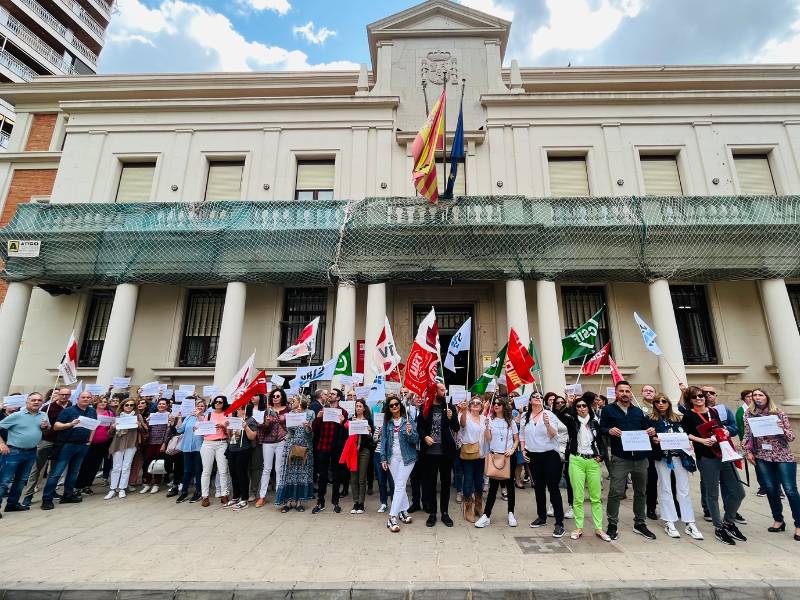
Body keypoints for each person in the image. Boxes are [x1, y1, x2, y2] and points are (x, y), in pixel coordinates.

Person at [681, 386, 746, 545]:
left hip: (724, 454)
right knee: (712, 494)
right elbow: (684, 433)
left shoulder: (714, 411)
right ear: (690, 400)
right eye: (695, 397)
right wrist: (701, 440)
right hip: (706, 457)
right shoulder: (689, 415)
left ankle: (729, 522)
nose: (699, 398)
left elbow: (722, 428)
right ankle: (719, 527)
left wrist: (725, 432)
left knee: (739, 492)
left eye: (701, 395)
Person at [599, 380, 657, 541]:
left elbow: (647, 429)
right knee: (616, 491)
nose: (624, 394)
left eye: (627, 391)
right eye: (621, 391)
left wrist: (651, 431)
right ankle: (612, 524)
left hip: (640, 457)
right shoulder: (607, 410)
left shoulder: (638, 412)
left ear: (631, 393)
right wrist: (609, 430)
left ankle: (640, 523)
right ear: (616, 393)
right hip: (620, 457)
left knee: (641, 491)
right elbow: (601, 428)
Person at [743, 388, 800, 541]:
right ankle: (778, 520)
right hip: (762, 456)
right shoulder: (749, 414)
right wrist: (748, 451)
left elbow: (791, 437)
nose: (757, 397)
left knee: (790, 489)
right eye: (754, 395)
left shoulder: (778, 413)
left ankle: (799, 525)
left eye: (760, 395)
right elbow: (747, 435)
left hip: (782, 455)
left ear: (767, 397)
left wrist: (783, 429)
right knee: (770, 488)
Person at [648, 393, 704, 540]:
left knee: (683, 489)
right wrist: (652, 438)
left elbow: (686, 434)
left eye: (664, 401)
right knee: (665, 487)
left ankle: (689, 522)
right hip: (662, 457)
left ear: (668, 403)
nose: (661, 404)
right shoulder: (650, 420)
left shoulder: (677, 419)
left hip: (680, 457)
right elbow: (646, 437)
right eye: (657, 401)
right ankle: (669, 520)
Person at [563, 394, 610, 541]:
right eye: (578, 406)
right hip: (576, 459)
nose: (581, 408)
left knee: (596, 497)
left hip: (593, 461)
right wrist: (569, 404)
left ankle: (599, 528)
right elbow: (560, 415)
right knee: (578, 497)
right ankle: (578, 527)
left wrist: (601, 455)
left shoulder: (595, 421)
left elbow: (601, 440)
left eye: (584, 406)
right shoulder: (572, 421)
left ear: (588, 407)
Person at [40, 390, 98, 510]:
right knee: (56, 473)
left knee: (73, 472)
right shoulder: (68, 411)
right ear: (78, 399)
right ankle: (47, 499)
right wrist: (70, 424)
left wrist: (90, 440)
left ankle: (68, 495)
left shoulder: (92, 411)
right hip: (67, 445)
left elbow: (93, 427)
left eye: (88, 397)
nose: (86, 399)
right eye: (83, 397)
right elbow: (56, 426)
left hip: (82, 445)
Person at [521, 391, 566, 538]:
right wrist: (523, 449)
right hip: (533, 455)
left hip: (549, 455)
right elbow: (522, 435)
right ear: (530, 400)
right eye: (534, 396)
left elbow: (554, 435)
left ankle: (559, 523)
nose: (537, 398)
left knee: (553, 488)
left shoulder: (549, 414)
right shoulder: (524, 416)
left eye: (539, 396)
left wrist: (547, 424)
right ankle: (541, 516)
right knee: (538, 488)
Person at [416, 382, 459, 528]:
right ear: (435, 392)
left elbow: (456, 427)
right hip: (429, 454)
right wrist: (425, 437)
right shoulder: (425, 407)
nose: (444, 392)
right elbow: (419, 427)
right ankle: (433, 513)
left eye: (444, 389)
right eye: (441, 389)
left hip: (445, 453)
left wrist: (452, 417)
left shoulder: (449, 407)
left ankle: (445, 513)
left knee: (446, 483)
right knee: (431, 484)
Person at [22, 387, 72, 506]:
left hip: (61, 442)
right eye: (62, 394)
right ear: (57, 395)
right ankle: (28, 496)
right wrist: (42, 426)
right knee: (37, 469)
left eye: (67, 394)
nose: (64, 397)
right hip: (46, 441)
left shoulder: (71, 406)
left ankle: (52, 491)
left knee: (54, 470)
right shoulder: (47, 408)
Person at [0, 393, 47, 515]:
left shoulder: (43, 415)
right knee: (5, 481)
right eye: (33, 400)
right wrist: (2, 444)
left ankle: (12, 504)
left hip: (31, 452)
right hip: (14, 452)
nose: (36, 402)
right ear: (27, 402)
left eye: (39, 400)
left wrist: (45, 427)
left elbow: (46, 431)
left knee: (21, 480)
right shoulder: (17, 415)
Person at [475, 396, 518, 528]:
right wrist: (487, 427)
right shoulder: (490, 420)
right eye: (495, 403)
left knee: (510, 486)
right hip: (495, 456)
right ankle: (486, 515)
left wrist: (512, 450)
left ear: (504, 406)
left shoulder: (511, 421)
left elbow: (516, 439)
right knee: (493, 488)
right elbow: (488, 439)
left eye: (499, 404)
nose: (496, 405)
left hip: (508, 457)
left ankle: (511, 513)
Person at [381, 394, 418, 533]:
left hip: (407, 458)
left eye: (396, 404)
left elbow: (415, 439)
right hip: (392, 458)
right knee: (398, 485)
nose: (394, 407)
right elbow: (384, 440)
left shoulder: (408, 420)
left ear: (400, 406)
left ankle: (392, 517)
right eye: (391, 405)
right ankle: (403, 511)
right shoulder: (388, 422)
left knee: (400, 485)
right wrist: (383, 458)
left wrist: (409, 432)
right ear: (389, 408)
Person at [275, 396, 315, 512]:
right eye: (292, 401)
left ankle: (299, 502)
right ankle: (288, 502)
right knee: (288, 473)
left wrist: (308, 427)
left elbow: (310, 435)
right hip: (291, 445)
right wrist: (292, 421)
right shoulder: (290, 414)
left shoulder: (309, 414)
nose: (292, 403)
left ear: (300, 403)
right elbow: (289, 432)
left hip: (304, 446)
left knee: (301, 473)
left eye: (294, 401)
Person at [311, 389, 348, 514]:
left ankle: (335, 501)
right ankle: (320, 501)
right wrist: (317, 418)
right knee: (322, 475)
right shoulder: (323, 410)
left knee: (336, 475)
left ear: (338, 398)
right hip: (323, 446)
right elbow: (315, 429)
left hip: (336, 448)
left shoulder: (343, 412)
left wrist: (343, 422)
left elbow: (346, 432)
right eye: (330, 394)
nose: (330, 395)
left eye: (332, 394)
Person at [104, 397, 147, 500]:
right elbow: (109, 434)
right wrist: (113, 427)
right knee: (116, 467)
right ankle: (113, 489)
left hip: (131, 444)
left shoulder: (137, 416)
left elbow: (144, 431)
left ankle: (122, 488)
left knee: (126, 466)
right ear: (122, 406)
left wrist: (139, 426)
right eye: (126, 405)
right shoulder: (117, 417)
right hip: (118, 444)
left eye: (131, 405)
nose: (129, 407)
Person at [76, 395, 115, 495]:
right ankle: (78, 486)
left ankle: (87, 486)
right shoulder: (90, 412)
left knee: (95, 465)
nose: (103, 403)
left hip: (103, 443)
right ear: (96, 402)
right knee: (85, 464)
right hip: (90, 442)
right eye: (101, 401)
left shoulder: (110, 413)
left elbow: (111, 431)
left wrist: (112, 427)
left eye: (105, 402)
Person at [255, 388, 287, 508]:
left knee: (279, 469)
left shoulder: (287, 410)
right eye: (273, 396)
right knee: (267, 468)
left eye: (278, 396)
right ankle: (262, 496)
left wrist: (287, 434)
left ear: (282, 397)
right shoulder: (267, 411)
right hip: (268, 442)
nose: (275, 398)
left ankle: (279, 496)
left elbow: (291, 425)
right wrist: (267, 423)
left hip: (281, 441)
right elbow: (262, 428)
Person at [458, 395, 486, 523]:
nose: (475, 404)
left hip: (481, 454)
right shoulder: (465, 416)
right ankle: (468, 508)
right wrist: (463, 411)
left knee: (479, 481)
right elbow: (462, 425)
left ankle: (479, 506)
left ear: (481, 407)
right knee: (468, 480)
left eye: (478, 403)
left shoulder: (485, 418)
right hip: (469, 453)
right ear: (469, 406)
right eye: (473, 403)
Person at [198, 395, 230, 507]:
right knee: (206, 471)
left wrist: (223, 426)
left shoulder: (227, 414)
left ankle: (224, 494)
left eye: (220, 402)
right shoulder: (209, 414)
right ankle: (205, 496)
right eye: (216, 401)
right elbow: (202, 429)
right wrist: (198, 427)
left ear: (224, 403)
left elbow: (229, 432)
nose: (218, 403)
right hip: (208, 443)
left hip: (221, 442)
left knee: (223, 470)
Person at [225, 406, 258, 511]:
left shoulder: (251, 420)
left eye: (241, 408)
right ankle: (235, 496)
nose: (238, 410)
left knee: (241, 473)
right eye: (238, 409)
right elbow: (229, 436)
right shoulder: (234, 419)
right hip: (232, 448)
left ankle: (244, 498)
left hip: (243, 449)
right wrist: (227, 428)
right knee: (233, 473)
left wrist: (246, 427)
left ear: (246, 409)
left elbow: (252, 436)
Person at [174, 399, 206, 503]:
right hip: (187, 447)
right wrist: (179, 418)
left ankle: (198, 491)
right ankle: (184, 492)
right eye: (198, 405)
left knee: (198, 470)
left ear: (205, 408)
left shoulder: (205, 417)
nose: (200, 407)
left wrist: (198, 416)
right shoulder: (188, 417)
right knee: (187, 470)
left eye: (202, 406)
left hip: (198, 447)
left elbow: (205, 428)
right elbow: (179, 430)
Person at [139, 398, 173, 494]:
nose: (161, 405)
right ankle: (147, 483)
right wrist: (147, 421)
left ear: (167, 405)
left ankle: (156, 483)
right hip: (150, 442)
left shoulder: (169, 416)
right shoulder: (152, 415)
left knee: (158, 464)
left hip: (161, 443)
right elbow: (147, 429)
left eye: (163, 404)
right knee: (148, 462)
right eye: (159, 404)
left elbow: (168, 431)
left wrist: (164, 443)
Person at [348, 398, 374, 514]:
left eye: (360, 406)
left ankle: (361, 503)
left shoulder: (368, 420)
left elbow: (372, 437)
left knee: (362, 478)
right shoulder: (351, 419)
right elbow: (347, 434)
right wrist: (350, 424)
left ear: (364, 408)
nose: (358, 408)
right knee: (353, 478)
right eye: (356, 406)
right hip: (353, 451)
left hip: (364, 450)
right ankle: (355, 502)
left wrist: (369, 432)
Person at [371, 395, 394, 513]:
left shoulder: (393, 424)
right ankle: (383, 503)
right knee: (381, 481)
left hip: (391, 455)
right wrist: (378, 433)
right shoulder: (379, 424)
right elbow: (374, 440)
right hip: (378, 454)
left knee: (392, 481)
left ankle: (394, 503)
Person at [640, 384, 659, 521]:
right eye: (646, 390)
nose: (648, 392)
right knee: (651, 479)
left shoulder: (660, 406)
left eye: (651, 390)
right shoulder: (637, 407)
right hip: (647, 448)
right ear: (641, 393)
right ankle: (651, 507)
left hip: (661, 446)